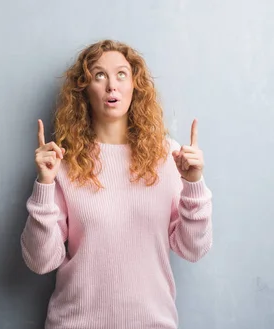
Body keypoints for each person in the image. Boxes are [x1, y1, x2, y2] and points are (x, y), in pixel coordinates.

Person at [20, 39, 213, 329]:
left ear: (135, 84)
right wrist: (45, 184)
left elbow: (193, 249)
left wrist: (194, 183)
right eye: (100, 75)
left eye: (121, 74)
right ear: (84, 89)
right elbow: (40, 261)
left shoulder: (167, 156)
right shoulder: (64, 162)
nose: (112, 85)